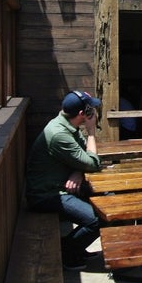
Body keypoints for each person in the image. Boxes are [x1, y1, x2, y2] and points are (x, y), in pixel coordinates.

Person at [25, 90, 104, 270]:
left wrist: (78, 171)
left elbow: (82, 155)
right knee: (97, 219)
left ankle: (74, 247)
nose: (94, 112)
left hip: (60, 186)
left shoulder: (65, 124)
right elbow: (92, 162)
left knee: (106, 202)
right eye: (91, 108)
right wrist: (91, 131)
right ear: (83, 114)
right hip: (46, 194)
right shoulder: (59, 134)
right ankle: (67, 253)